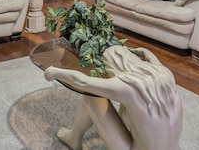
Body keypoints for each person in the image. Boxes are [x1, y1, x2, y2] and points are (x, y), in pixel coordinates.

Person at [44, 46, 183, 150]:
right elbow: (153, 59)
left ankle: (73, 138)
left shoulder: (129, 85)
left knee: (92, 97)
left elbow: (83, 82)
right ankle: (73, 137)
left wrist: (54, 72)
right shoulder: (165, 74)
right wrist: (144, 52)